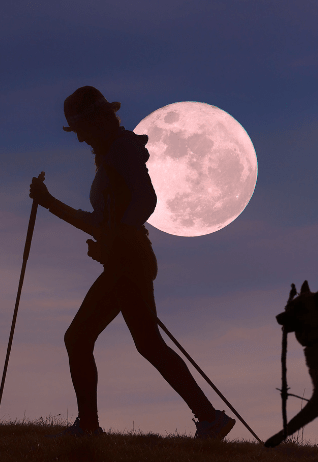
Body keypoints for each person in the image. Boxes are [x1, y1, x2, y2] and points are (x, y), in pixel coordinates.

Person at [28, 86, 236, 440]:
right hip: (128, 259)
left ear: (95, 122)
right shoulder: (113, 152)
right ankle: (209, 419)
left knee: (80, 338)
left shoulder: (122, 150)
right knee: (146, 344)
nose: (78, 139)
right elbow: (100, 221)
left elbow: (146, 198)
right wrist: (51, 204)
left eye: (79, 130)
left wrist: (117, 237)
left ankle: (90, 428)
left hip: (129, 261)